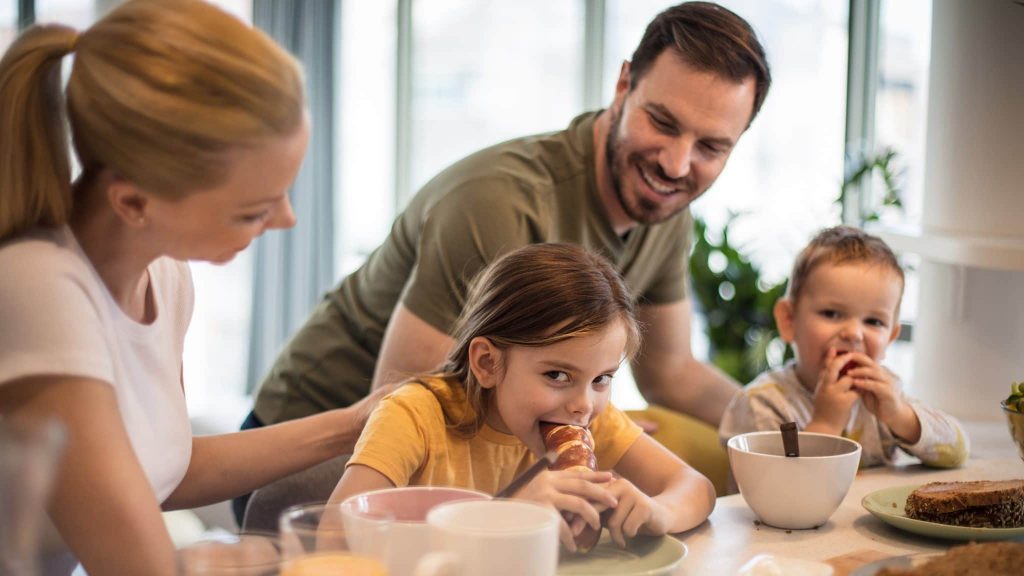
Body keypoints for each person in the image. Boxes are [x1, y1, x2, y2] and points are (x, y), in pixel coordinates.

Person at [247, 0, 771, 456]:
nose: (677, 165)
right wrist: (584, 433)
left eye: (711, 147)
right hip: (316, 439)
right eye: (662, 122)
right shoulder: (499, 202)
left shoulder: (665, 210)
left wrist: (784, 423)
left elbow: (671, 371)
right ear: (622, 85)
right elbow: (408, 404)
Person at [0, 1, 359, 574]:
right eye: (253, 211)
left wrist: (356, 421)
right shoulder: (36, 288)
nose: (286, 221)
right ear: (134, 202)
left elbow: (167, 470)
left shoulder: (165, 277)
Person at [329, 244, 716, 550]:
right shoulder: (414, 415)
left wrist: (658, 511)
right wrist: (504, 518)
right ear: (487, 363)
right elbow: (331, 536)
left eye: (602, 378)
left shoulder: (588, 417)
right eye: (557, 375)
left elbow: (695, 486)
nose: (583, 403)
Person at [718, 226, 969, 468]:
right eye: (832, 313)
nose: (853, 333)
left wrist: (901, 416)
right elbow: (772, 494)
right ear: (789, 320)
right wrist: (825, 424)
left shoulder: (884, 395)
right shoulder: (762, 405)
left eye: (873, 321)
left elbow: (958, 452)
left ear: (890, 339)